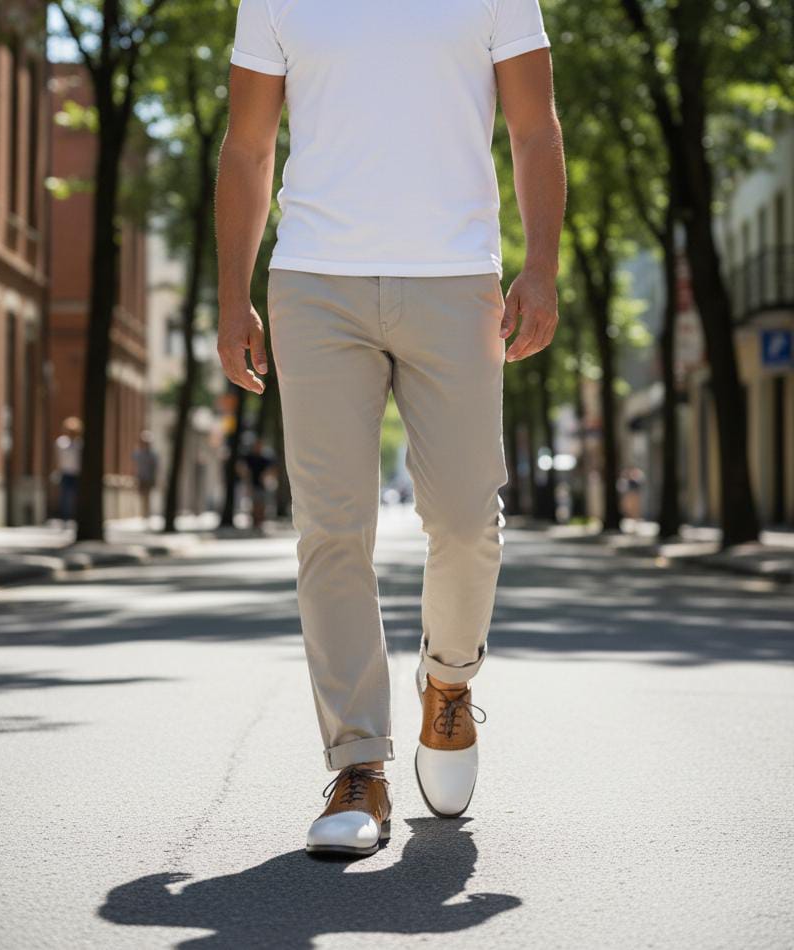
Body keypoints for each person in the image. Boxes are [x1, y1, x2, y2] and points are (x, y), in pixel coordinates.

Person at [216, 0, 565, 857]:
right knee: (331, 527)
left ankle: (448, 683)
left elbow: (534, 128)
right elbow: (248, 146)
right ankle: (358, 766)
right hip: (314, 280)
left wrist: (542, 266)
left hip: (457, 276)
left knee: (466, 519)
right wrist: (231, 296)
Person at [239, 437, 276, 532]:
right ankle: (255, 523)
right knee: (254, 505)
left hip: (262, 485)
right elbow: (241, 467)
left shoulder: (265, 458)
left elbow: (272, 469)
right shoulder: (249, 458)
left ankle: (260, 523)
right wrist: (246, 477)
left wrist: (266, 475)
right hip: (252, 484)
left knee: (262, 505)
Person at [53, 417, 83, 524]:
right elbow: (57, 459)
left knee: (77, 497)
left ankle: (77, 517)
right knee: (64, 497)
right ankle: (65, 519)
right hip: (65, 473)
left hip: (77, 474)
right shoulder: (61, 443)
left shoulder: (80, 444)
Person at [132, 431, 159, 525]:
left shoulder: (153, 455)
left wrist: (155, 479)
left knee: (147, 496)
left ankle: (146, 515)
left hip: (149, 478)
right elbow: (134, 465)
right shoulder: (138, 454)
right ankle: (143, 514)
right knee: (141, 496)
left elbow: (155, 468)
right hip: (141, 478)